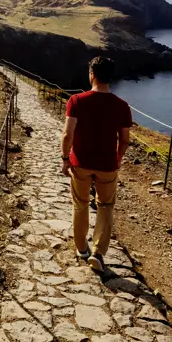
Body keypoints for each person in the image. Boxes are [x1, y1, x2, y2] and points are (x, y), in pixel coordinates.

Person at [61, 56, 132, 273]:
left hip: (80, 164)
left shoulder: (76, 101)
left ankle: (81, 248)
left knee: (81, 204)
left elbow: (67, 134)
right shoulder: (122, 106)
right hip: (107, 165)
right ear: (110, 77)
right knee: (106, 206)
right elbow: (125, 140)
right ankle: (98, 252)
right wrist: (117, 160)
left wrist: (65, 159)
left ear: (91, 74)